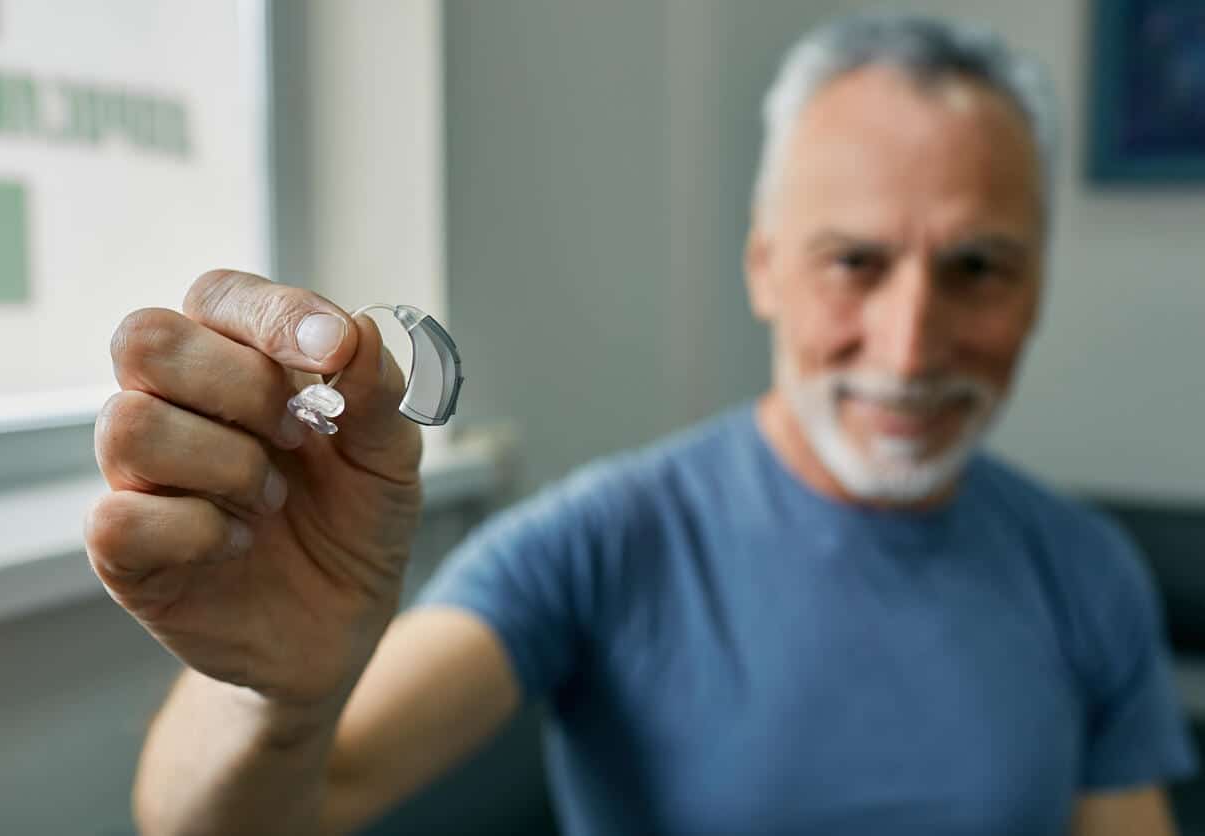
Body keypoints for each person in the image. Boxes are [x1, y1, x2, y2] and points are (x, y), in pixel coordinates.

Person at [85, 13, 1196, 836]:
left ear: (1037, 286)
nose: (909, 346)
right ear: (764, 264)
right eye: (854, 261)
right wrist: (273, 693)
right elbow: (226, 818)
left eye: (977, 268)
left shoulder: (1083, 569)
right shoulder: (608, 534)